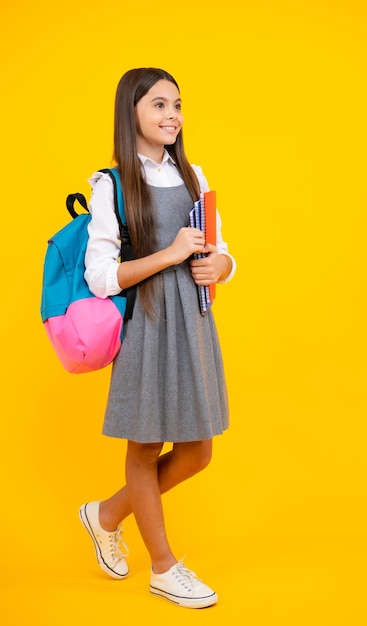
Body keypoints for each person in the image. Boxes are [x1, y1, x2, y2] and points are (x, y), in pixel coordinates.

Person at [79, 67, 236, 609]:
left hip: (193, 324)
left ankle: (105, 515)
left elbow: (222, 249)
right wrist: (169, 255)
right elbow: (100, 277)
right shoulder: (112, 184)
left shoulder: (193, 172)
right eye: (160, 105)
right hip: (146, 324)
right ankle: (164, 567)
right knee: (144, 446)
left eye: (178, 106)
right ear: (133, 114)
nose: (173, 115)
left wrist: (222, 265)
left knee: (197, 450)